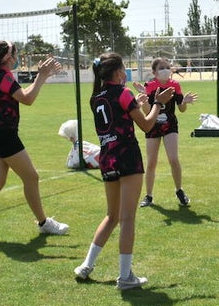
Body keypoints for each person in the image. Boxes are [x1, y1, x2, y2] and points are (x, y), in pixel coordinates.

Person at [73, 53, 174, 290]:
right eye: (123, 70)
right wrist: (158, 103)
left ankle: (86, 266)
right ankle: (125, 276)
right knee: (127, 218)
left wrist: (136, 106)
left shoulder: (95, 97)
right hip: (127, 156)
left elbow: (117, 114)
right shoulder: (124, 93)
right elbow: (147, 125)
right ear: (118, 72)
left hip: (107, 158)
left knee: (112, 216)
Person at [0, 41, 70, 243]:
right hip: (4, 135)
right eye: (15, 53)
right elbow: (27, 99)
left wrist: (40, 78)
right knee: (32, 177)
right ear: (8, 57)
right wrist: (42, 76)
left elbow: (21, 95)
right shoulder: (4, 76)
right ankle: (44, 223)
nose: (17, 57)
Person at [137, 57, 198, 208]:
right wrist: (144, 102)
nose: (166, 70)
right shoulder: (149, 86)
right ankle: (148, 195)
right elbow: (147, 113)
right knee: (151, 162)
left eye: (167, 67)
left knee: (173, 159)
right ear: (154, 72)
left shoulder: (175, 85)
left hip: (170, 125)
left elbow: (181, 110)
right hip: (153, 126)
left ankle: (179, 190)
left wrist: (184, 102)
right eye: (161, 68)